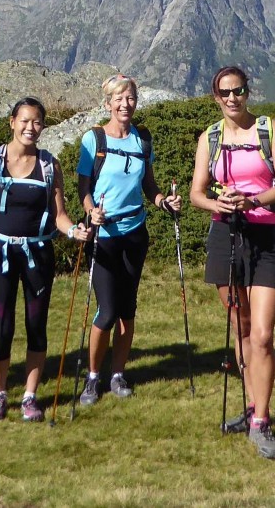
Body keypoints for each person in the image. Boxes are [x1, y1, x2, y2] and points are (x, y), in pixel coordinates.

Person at [0, 97, 92, 423]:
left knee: (36, 327)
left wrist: (74, 231)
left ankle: (30, 396)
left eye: (37, 122)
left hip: (38, 255)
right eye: (24, 120)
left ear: (43, 126)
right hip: (0, 255)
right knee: (2, 329)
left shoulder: (50, 165)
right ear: (12, 122)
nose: (30, 127)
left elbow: (59, 216)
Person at [187, 66, 275, 460]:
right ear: (216, 97)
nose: (233, 98)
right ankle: (252, 408)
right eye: (225, 93)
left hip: (265, 237)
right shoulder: (210, 137)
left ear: (248, 92)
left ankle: (262, 420)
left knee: (262, 334)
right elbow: (197, 192)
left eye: (239, 91)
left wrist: (254, 201)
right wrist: (217, 203)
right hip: (225, 235)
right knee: (242, 327)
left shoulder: (269, 130)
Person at [76, 75, 181, 405]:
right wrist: (91, 211)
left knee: (127, 309)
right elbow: (83, 187)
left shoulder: (143, 140)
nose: (125, 104)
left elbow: (149, 184)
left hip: (135, 234)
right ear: (107, 103)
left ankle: (117, 374)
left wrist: (163, 202)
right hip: (104, 235)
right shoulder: (94, 139)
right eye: (118, 99)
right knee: (107, 311)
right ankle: (93, 376)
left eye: (131, 98)